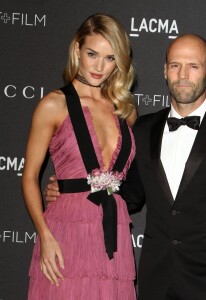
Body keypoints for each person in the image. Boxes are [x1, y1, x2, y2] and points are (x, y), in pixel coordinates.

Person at [46, 34, 206, 300]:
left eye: (193, 66)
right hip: (157, 282)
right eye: (175, 65)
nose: (183, 74)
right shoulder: (143, 129)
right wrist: (70, 188)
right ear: (165, 71)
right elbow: (129, 195)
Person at [22, 13, 137, 300]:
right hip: (66, 232)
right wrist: (44, 235)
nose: (100, 66)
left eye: (110, 58)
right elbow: (29, 177)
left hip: (115, 233)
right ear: (76, 50)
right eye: (92, 54)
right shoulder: (53, 104)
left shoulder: (125, 111)